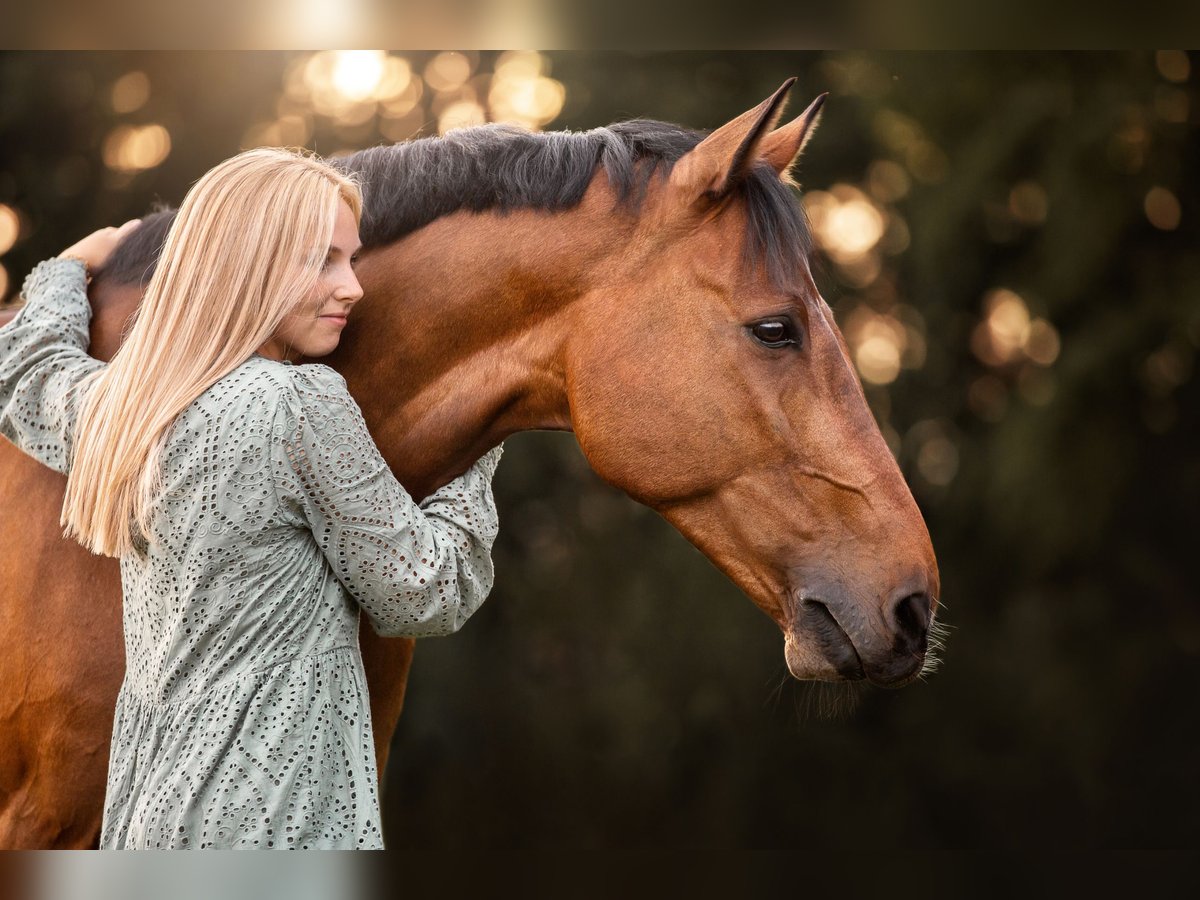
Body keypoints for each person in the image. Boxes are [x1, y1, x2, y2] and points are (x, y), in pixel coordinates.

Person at [0, 147, 503, 849]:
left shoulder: (126, 408)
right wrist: (475, 444)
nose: (352, 286)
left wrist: (64, 269)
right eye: (321, 260)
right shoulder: (299, 407)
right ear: (243, 267)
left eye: (350, 259)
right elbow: (427, 591)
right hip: (271, 828)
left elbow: (27, 371)